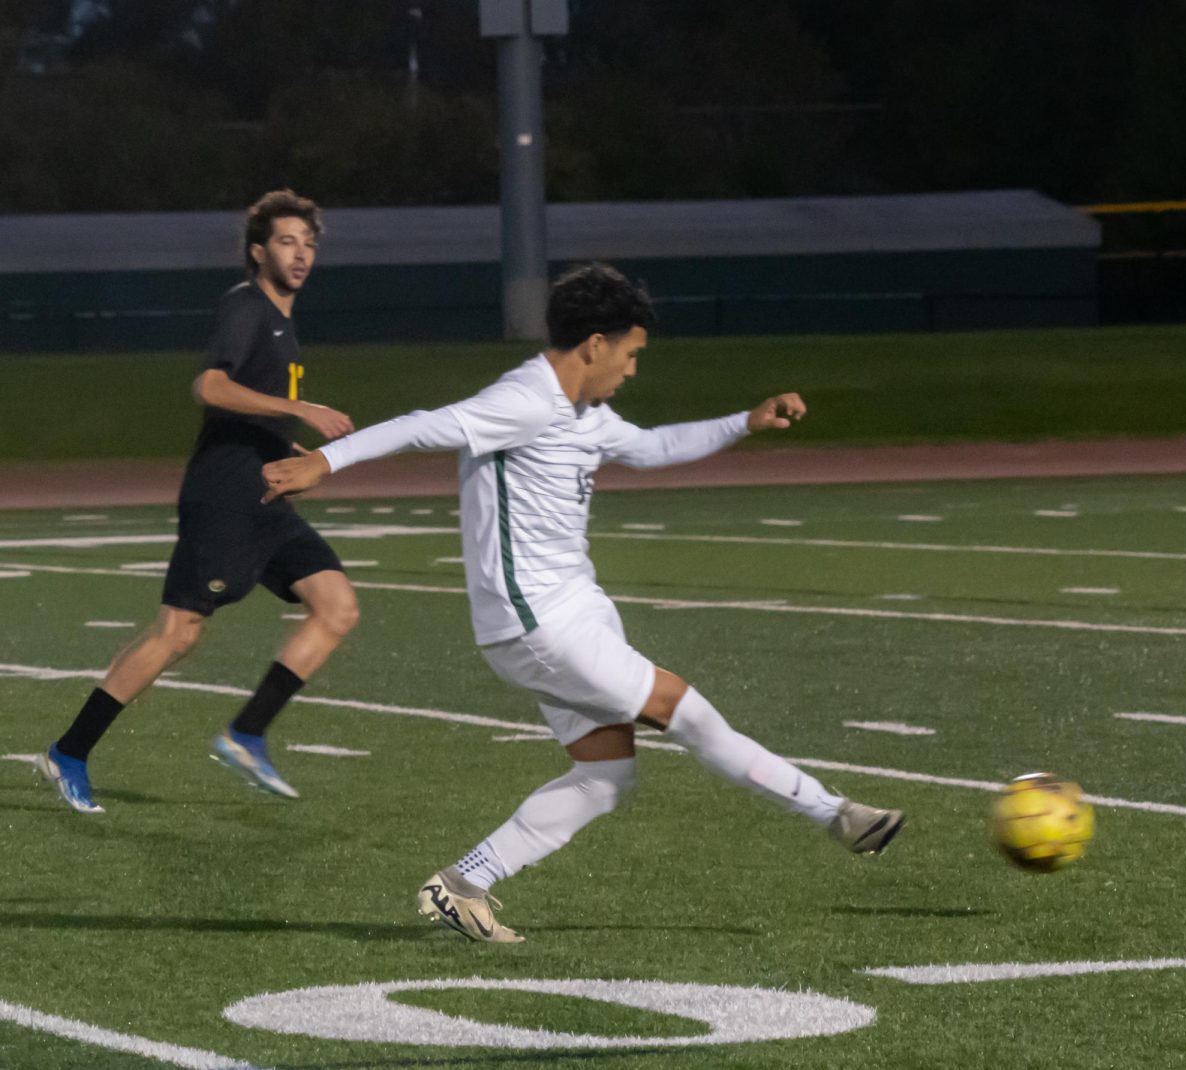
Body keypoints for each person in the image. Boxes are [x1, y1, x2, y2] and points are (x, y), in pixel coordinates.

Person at [262, 262, 904, 943]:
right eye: (629, 353)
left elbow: (655, 447)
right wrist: (323, 463)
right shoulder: (526, 400)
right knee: (691, 716)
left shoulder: (585, 414)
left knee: (606, 776)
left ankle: (463, 882)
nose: (631, 369)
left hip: (573, 615)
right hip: (539, 626)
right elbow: (425, 425)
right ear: (595, 344)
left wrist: (745, 420)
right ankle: (838, 815)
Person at [36, 189, 360, 814]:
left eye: (309, 243)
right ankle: (69, 752)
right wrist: (301, 409)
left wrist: (304, 462)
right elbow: (211, 385)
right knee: (178, 634)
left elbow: (257, 413)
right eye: (287, 242)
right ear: (259, 251)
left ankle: (247, 733)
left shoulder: (284, 324)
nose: (301, 254)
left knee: (337, 607)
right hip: (225, 498)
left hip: (268, 498)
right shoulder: (246, 306)